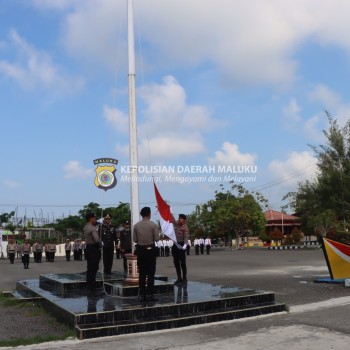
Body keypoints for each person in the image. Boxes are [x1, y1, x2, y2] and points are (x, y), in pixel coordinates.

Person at [133, 207, 159, 302]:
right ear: (149, 214)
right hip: (150, 250)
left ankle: (142, 295)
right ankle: (151, 294)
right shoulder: (153, 225)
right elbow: (157, 239)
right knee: (151, 274)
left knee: (142, 274)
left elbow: (135, 240)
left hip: (140, 251)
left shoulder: (136, 226)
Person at [83, 213, 102, 293]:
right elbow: (97, 239)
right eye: (94, 218)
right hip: (93, 249)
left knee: (89, 268)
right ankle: (92, 287)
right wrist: (101, 244)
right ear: (91, 219)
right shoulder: (92, 228)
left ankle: (89, 285)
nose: (95, 220)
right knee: (93, 269)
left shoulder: (85, 227)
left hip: (88, 248)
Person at [172, 214, 189, 285]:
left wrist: (185, 245)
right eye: (179, 218)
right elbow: (172, 220)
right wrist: (169, 212)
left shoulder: (185, 227)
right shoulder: (177, 225)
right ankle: (179, 277)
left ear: (184, 220)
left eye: (181, 218)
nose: (179, 219)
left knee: (182, 263)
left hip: (182, 245)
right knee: (176, 262)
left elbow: (186, 237)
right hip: (175, 245)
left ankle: (184, 278)